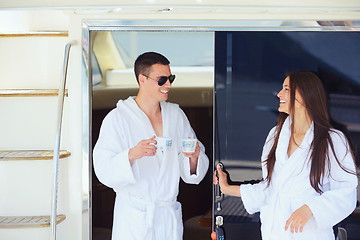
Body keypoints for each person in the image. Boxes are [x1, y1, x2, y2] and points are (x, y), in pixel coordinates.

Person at [214, 71, 358, 240]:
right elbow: (270, 189)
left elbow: (346, 192)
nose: (279, 94)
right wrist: (226, 188)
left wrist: (311, 209)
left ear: (305, 94)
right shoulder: (275, 136)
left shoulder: (332, 140)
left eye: (286, 89)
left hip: (309, 234)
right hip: (274, 232)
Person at [93, 52, 209, 240]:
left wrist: (194, 157)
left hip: (167, 218)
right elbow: (103, 168)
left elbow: (191, 172)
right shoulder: (118, 118)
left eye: (170, 78)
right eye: (162, 80)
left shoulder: (176, 116)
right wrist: (131, 154)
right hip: (134, 219)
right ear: (142, 79)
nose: (168, 85)